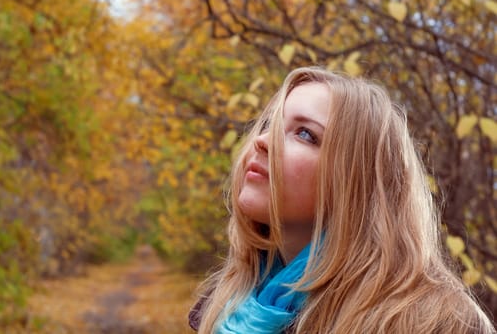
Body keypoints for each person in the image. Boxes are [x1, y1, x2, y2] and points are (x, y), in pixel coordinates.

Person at [188, 67, 495, 333]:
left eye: (305, 134)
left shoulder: (435, 321)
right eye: (269, 124)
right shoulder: (228, 303)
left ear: (359, 180)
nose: (262, 140)